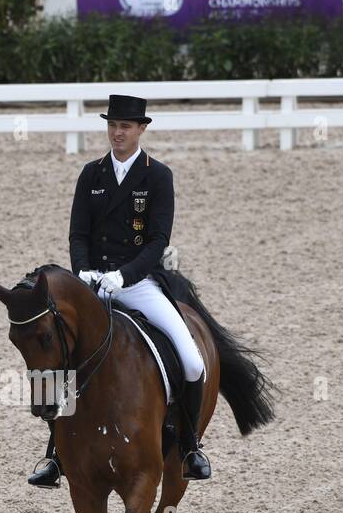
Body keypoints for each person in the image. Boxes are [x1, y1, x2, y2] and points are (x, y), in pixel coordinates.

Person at [29, 94, 211, 488]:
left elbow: (157, 241)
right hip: (93, 284)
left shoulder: (158, 175)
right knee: (57, 350)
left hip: (139, 284)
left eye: (125, 126)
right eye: (112, 125)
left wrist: (123, 277)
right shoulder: (91, 174)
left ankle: (190, 445)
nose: (117, 133)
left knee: (193, 363)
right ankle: (54, 455)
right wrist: (84, 272)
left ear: (141, 129)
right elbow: (78, 234)